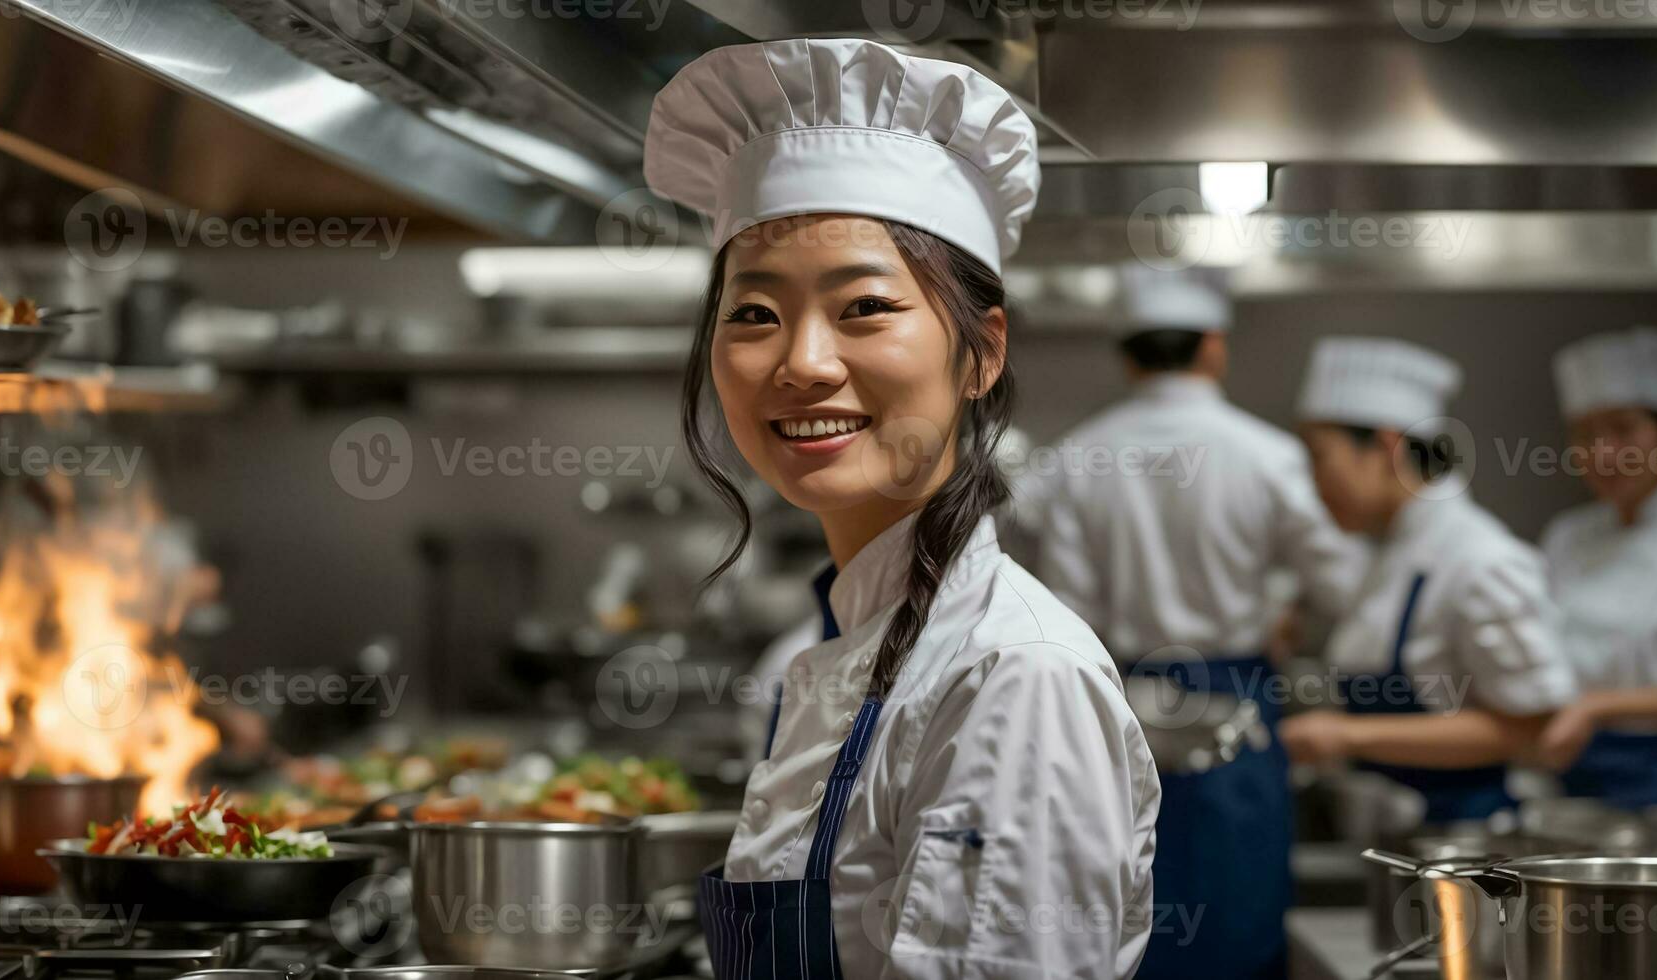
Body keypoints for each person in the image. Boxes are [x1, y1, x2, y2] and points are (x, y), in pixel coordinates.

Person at [643, 38, 1159, 977]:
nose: (800, 362)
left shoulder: (1013, 681)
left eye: (865, 308)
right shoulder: (851, 650)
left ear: (981, 352)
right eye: (753, 313)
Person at [1035, 272, 1364, 980]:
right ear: (1213, 349)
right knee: (1238, 909)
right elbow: (1341, 582)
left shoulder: (1074, 458)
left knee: (1133, 909)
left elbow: (1064, 610)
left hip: (1116, 698)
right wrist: (1289, 614)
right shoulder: (1268, 455)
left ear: (1128, 357)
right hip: (1236, 694)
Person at [1279, 337, 1577, 823]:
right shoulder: (1391, 550)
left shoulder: (1480, 561)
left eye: (1320, 456)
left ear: (1385, 446)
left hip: (1471, 847)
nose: (1313, 483)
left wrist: (1350, 736)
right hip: (1403, 840)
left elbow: (1533, 726)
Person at [1532, 328, 1657, 813]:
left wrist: (1595, 707)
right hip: (1566, 774)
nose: (1604, 453)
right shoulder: (1566, 536)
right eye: (1586, 434)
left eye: (1624, 429)